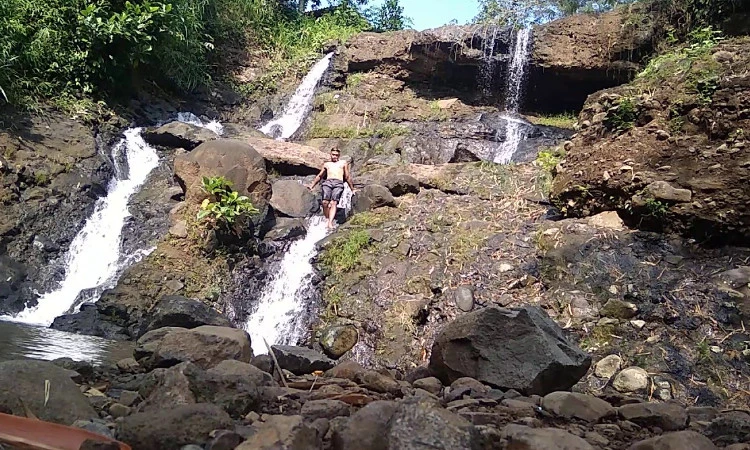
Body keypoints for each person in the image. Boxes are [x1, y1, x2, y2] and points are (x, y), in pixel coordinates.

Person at [307, 147, 354, 230]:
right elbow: (320, 176)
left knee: (334, 202)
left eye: (336, 155)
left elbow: (347, 176)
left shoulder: (343, 163)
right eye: (333, 155)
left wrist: (352, 189)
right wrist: (312, 186)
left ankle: (330, 222)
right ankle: (327, 218)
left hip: (338, 183)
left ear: (339, 155)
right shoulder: (327, 164)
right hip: (328, 182)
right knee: (325, 202)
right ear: (330, 154)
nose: (334, 156)